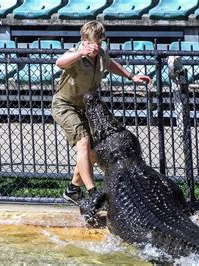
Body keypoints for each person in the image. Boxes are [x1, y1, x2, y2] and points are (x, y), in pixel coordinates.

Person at [52, 21, 151, 205]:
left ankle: (73, 189)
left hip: (86, 106)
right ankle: (93, 193)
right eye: (92, 43)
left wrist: (131, 76)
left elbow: (110, 64)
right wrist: (81, 52)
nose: (96, 47)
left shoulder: (100, 54)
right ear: (83, 40)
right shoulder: (75, 54)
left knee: (92, 152)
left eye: (99, 42)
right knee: (83, 143)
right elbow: (60, 62)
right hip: (65, 105)